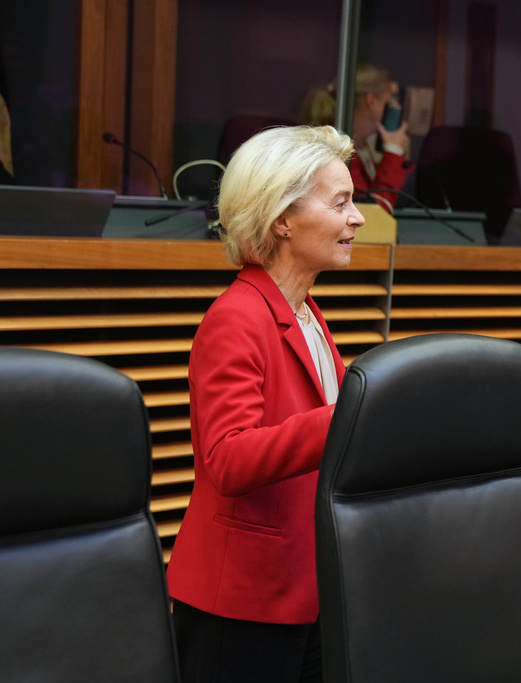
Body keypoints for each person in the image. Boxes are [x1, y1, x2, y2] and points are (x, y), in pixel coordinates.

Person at [166, 125, 364, 682]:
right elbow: (227, 460)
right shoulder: (236, 316)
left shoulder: (307, 312)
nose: (358, 218)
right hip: (243, 601)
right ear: (282, 218)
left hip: (308, 587)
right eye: (341, 202)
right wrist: (347, 419)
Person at [301, 64, 413, 211]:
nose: (394, 105)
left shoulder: (358, 145)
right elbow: (371, 212)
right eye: (390, 98)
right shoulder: (335, 147)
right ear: (371, 101)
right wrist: (393, 153)